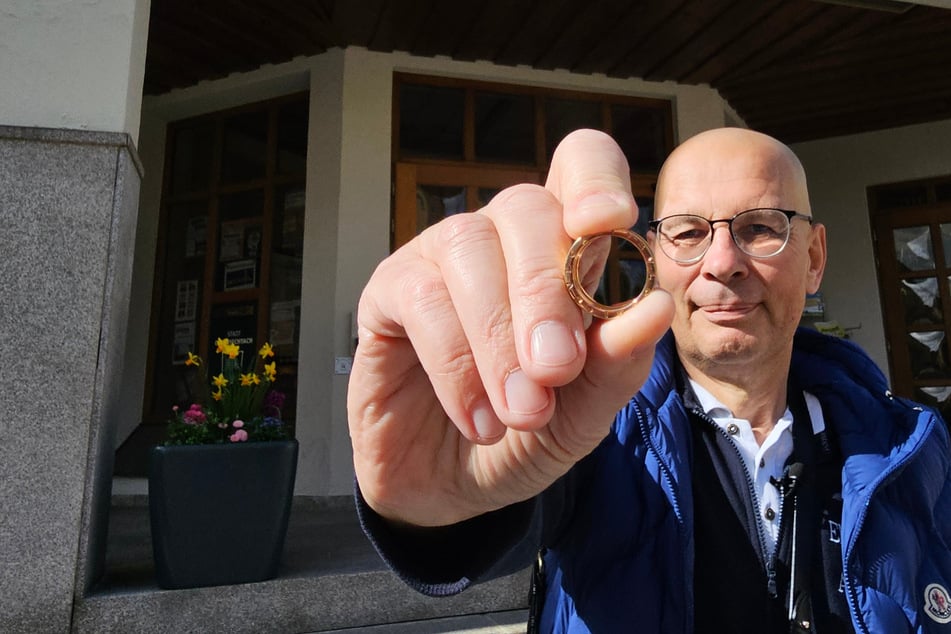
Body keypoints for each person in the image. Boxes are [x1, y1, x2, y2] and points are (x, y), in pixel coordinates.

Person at [347, 128, 951, 633]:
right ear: (655, 257)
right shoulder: (585, 434)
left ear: (814, 258)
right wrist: (430, 510)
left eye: (762, 227)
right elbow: (498, 511)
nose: (722, 262)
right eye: (688, 232)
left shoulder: (914, 446)